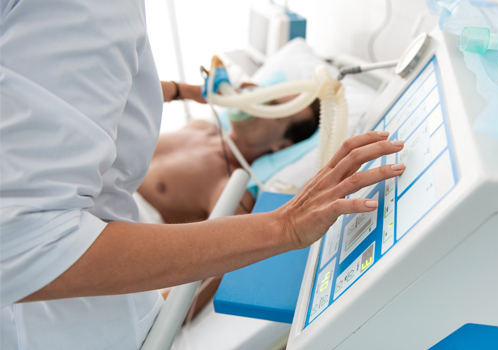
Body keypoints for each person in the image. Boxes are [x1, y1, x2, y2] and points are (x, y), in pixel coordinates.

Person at [0, 1, 406, 349]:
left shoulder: (232, 186)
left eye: (279, 103)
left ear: (282, 143)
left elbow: (199, 279)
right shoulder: (201, 126)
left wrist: (283, 225)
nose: (261, 95)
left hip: (101, 254)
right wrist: (184, 90)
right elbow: (84, 91)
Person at [138, 82, 320, 224]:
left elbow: (211, 269)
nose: (258, 102)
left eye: (273, 106)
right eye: (266, 93)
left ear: (282, 146)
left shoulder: (232, 192)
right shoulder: (200, 126)